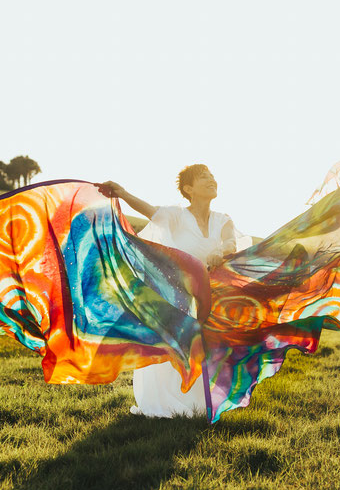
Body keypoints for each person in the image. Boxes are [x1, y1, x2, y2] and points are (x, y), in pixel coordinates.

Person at [99, 164, 241, 417]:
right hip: (175, 292)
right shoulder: (177, 216)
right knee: (174, 345)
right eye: (204, 177)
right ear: (189, 189)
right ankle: (168, 400)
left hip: (207, 294)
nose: (212, 180)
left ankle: (201, 400)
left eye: (212, 176)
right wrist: (123, 193)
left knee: (205, 346)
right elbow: (152, 212)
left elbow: (231, 240)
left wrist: (221, 250)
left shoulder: (223, 219)